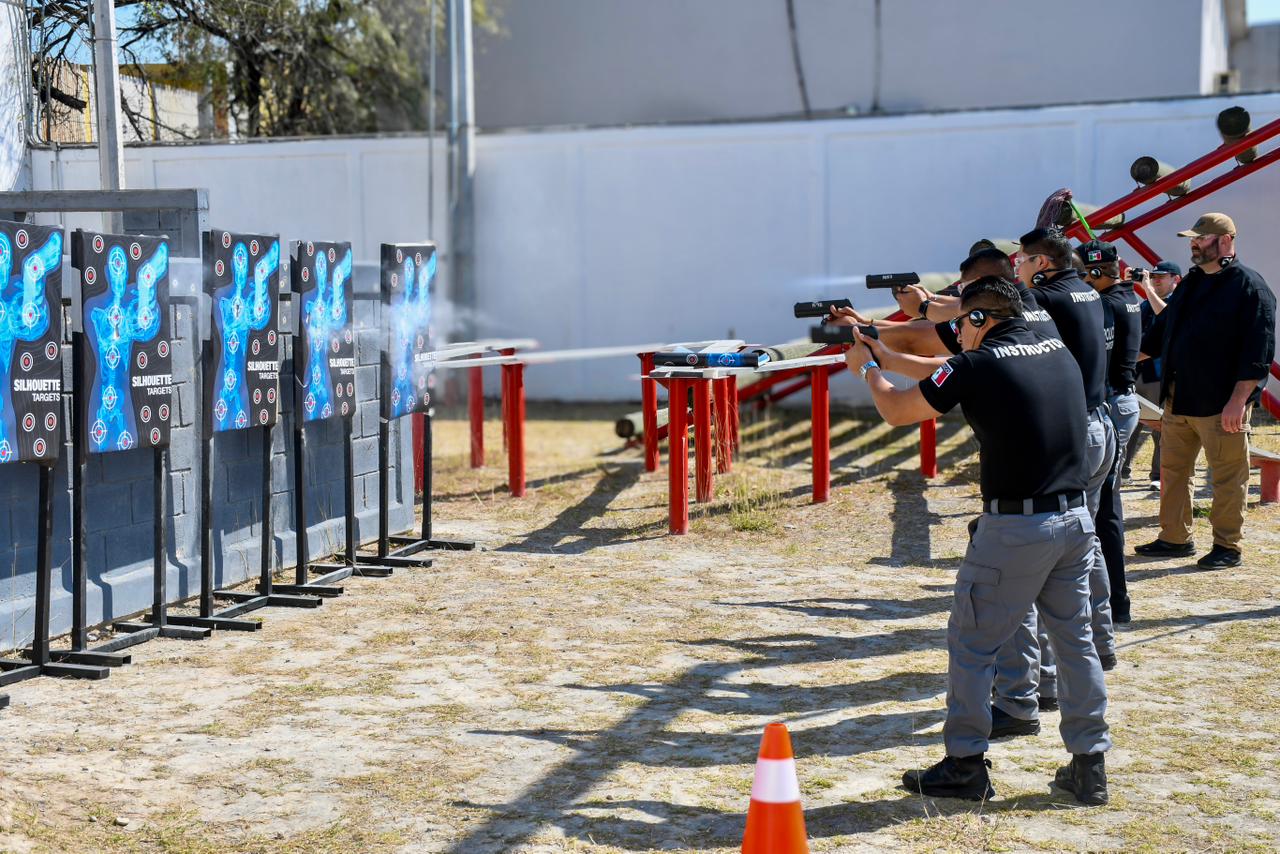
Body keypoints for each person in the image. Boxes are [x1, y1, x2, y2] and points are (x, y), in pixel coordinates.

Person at [844, 277, 1110, 804]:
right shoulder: (1053, 348)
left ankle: (964, 763)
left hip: (1016, 529)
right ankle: (1090, 764)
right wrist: (887, 354)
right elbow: (954, 373)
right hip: (1074, 520)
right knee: (1075, 643)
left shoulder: (977, 363)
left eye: (960, 324)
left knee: (972, 646)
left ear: (980, 319)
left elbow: (899, 409)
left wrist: (869, 370)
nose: (956, 334)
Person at [1135, 213, 1277, 569]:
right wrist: (1118, 362)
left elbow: (1258, 353)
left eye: (1201, 238)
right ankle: (1174, 538)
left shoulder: (1250, 287)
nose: (1194, 245)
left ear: (1226, 240)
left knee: (1228, 478)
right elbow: (1162, 332)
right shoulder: (1192, 282)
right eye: (1193, 240)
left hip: (1221, 404)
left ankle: (1227, 547)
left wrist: (1238, 401)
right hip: (1178, 399)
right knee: (1173, 472)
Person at [1077, 240, 1142, 624]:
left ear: (1098, 272)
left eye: (1083, 275)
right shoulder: (1127, 297)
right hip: (1123, 401)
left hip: (1113, 404)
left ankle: (1111, 600)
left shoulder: (1107, 305)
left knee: (1102, 509)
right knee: (1106, 505)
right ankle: (1114, 600)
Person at [1123, 261, 1181, 486]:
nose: (1155, 280)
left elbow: (1167, 318)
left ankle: (1158, 475)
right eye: (1153, 276)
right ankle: (1124, 470)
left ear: (1176, 279)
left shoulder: (1179, 301)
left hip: (1161, 374)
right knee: (1131, 421)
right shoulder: (1147, 303)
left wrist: (1147, 288)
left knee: (1163, 426)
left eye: (1161, 277)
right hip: (1139, 372)